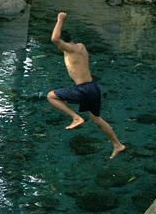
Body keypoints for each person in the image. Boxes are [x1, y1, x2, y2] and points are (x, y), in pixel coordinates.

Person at [47, 12, 125, 159]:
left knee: (51, 96)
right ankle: (117, 145)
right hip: (93, 87)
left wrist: (60, 20)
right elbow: (60, 40)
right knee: (96, 119)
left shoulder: (71, 50)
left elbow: (54, 38)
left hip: (83, 89)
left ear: (64, 42)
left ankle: (76, 118)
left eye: (61, 44)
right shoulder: (80, 47)